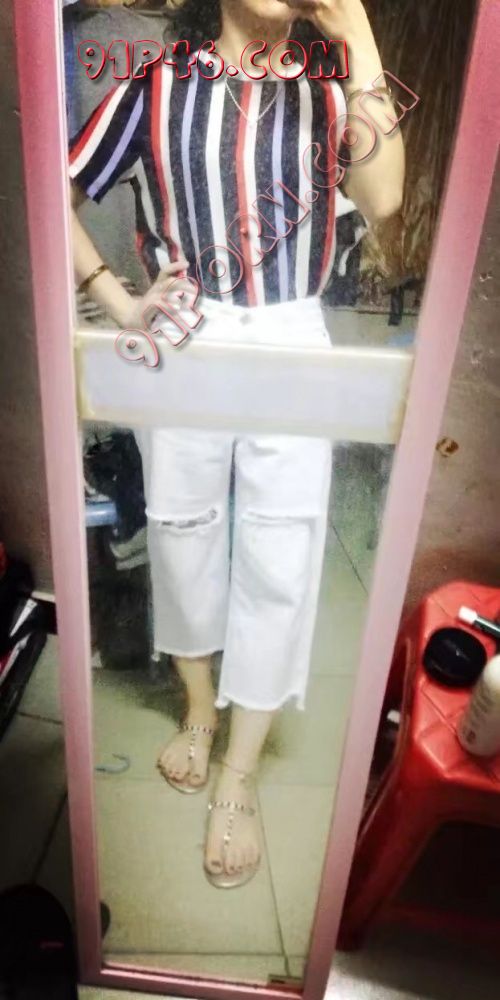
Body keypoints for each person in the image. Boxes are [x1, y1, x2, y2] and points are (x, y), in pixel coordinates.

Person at [69, 0, 405, 889]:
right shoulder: (155, 87)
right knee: (179, 526)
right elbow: (56, 189)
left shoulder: (332, 92)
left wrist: (359, 41)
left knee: (283, 545)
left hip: (294, 332)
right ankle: (198, 708)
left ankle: (241, 768)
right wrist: (118, 300)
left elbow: (384, 198)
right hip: (187, 328)